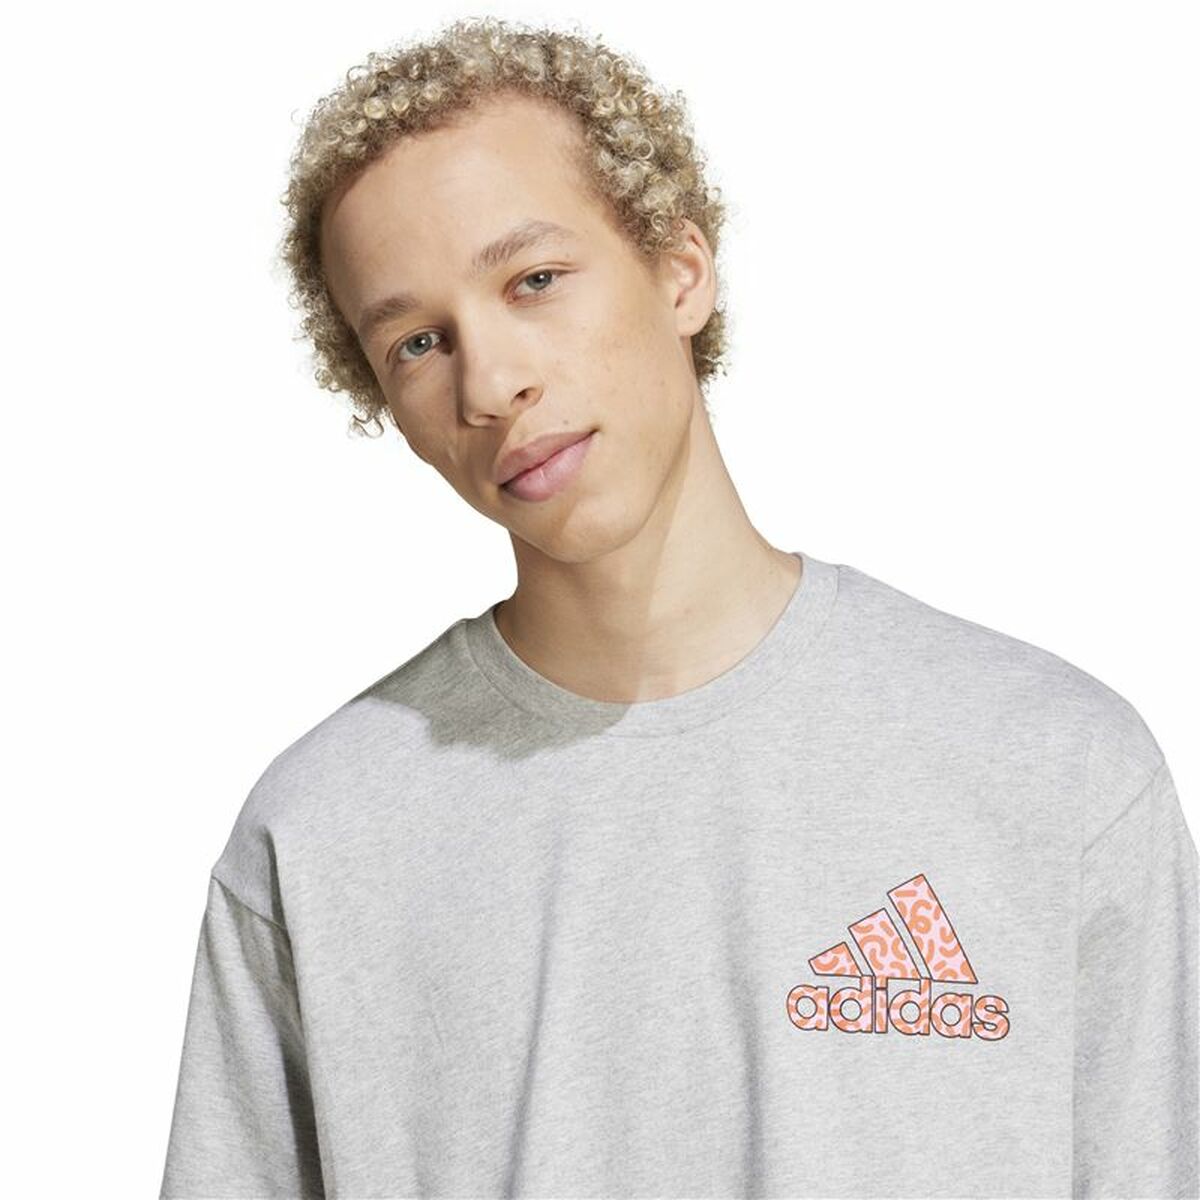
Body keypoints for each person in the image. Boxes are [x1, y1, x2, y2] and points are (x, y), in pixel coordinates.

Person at [159, 16, 1198, 1199]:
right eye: (417, 342)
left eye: (534, 281)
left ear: (680, 269)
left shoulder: (1054, 771)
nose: (491, 383)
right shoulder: (317, 840)